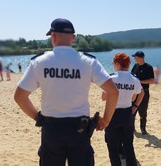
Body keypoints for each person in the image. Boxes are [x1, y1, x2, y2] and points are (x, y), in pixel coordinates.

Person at [14, 18, 119, 166]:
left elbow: (20, 97)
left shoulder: (39, 62)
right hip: (80, 130)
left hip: (51, 129)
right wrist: (106, 120)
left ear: (53, 36)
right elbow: (113, 92)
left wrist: (37, 117)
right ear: (74, 38)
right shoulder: (88, 61)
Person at [102, 53, 144, 166]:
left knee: (113, 146)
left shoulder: (111, 78)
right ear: (128, 64)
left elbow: (103, 97)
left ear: (117, 63)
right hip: (127, 113)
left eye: (113, 63)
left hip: (113, 114)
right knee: (128, 145)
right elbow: (140, 93)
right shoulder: (134, 79)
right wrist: (135, 106)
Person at [131, 51, 154, 134]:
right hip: (134, 92)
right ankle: (132, 128)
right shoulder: (135, 66)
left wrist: (139, 82)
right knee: (132, 110)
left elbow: (151, 80)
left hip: (144, 92)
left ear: (140, 58)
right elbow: (131, 76)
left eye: (135, 57)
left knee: (143, 111)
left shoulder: (148, 67)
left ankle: (143, 129)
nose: (134, 58)